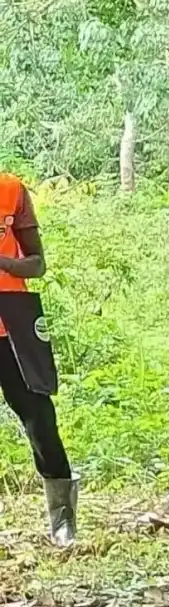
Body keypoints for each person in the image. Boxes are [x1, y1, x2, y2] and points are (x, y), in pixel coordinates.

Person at [0, 172, 77, 545]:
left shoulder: (10, 190)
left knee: (40, 420)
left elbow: (37, 263)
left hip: (13, 324)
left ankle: (63, 521)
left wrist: (5, 263)